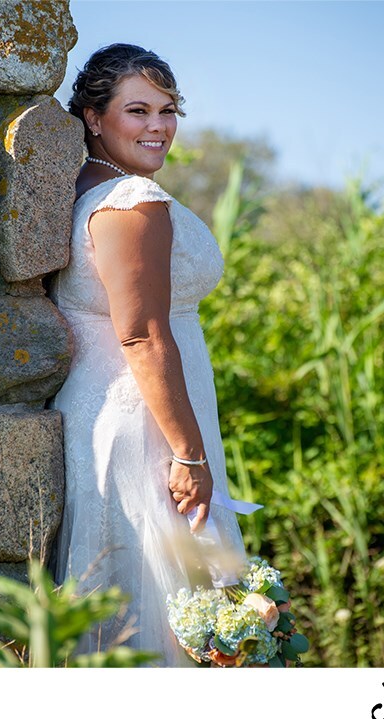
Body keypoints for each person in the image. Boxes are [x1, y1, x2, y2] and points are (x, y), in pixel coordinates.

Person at [50, 44, 246, 666]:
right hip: (147, 425)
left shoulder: (80, 190)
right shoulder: (134, 201)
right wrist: (189, 453)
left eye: (168, 110)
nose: (159, 127)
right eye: (137, 111)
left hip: (98, 411)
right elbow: (143, 334)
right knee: (170, 602)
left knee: (123, 596)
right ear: (92, 117)